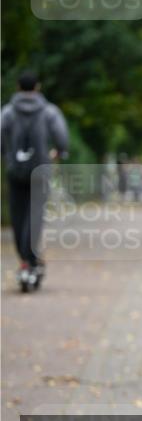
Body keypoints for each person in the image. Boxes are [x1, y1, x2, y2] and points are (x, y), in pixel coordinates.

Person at [1, 70, 70, 291]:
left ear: (18, 87)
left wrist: (7, 155)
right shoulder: (49, 111)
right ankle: (31, 259)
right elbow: (61, 137)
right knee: (35, 217)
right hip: (40, 171)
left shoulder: (8, 112)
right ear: (37, 87)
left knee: (18, 216)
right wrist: (59, 153)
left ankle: (25, 259)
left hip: (15, 171)